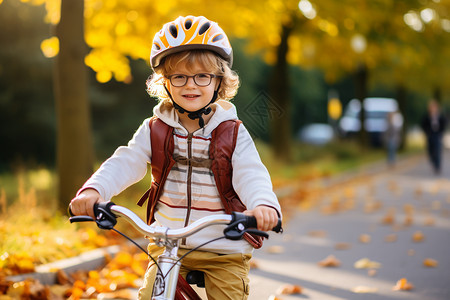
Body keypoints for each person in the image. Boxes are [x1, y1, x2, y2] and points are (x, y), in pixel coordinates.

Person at [69, 15, 282, 300]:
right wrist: (95, 190)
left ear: (219, 81)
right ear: (165, 83)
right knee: (149, 297)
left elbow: (251, 173)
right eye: (178, 76)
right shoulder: (155, 129)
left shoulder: (233, 133)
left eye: (202, 76)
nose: (190, 85)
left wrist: (262, 205)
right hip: (168, 244)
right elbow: (126, 161)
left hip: (223, 246)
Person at [421, 99, 447, 174]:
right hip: (430, 134)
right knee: (430, 151)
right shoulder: (427, 116)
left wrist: (441, 133)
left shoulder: (440, 116)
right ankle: (433, 161)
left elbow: (444, 124)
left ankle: (437, 166)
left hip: (437, 135)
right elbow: (423, 125)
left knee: (437, 151)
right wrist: (426, 132)